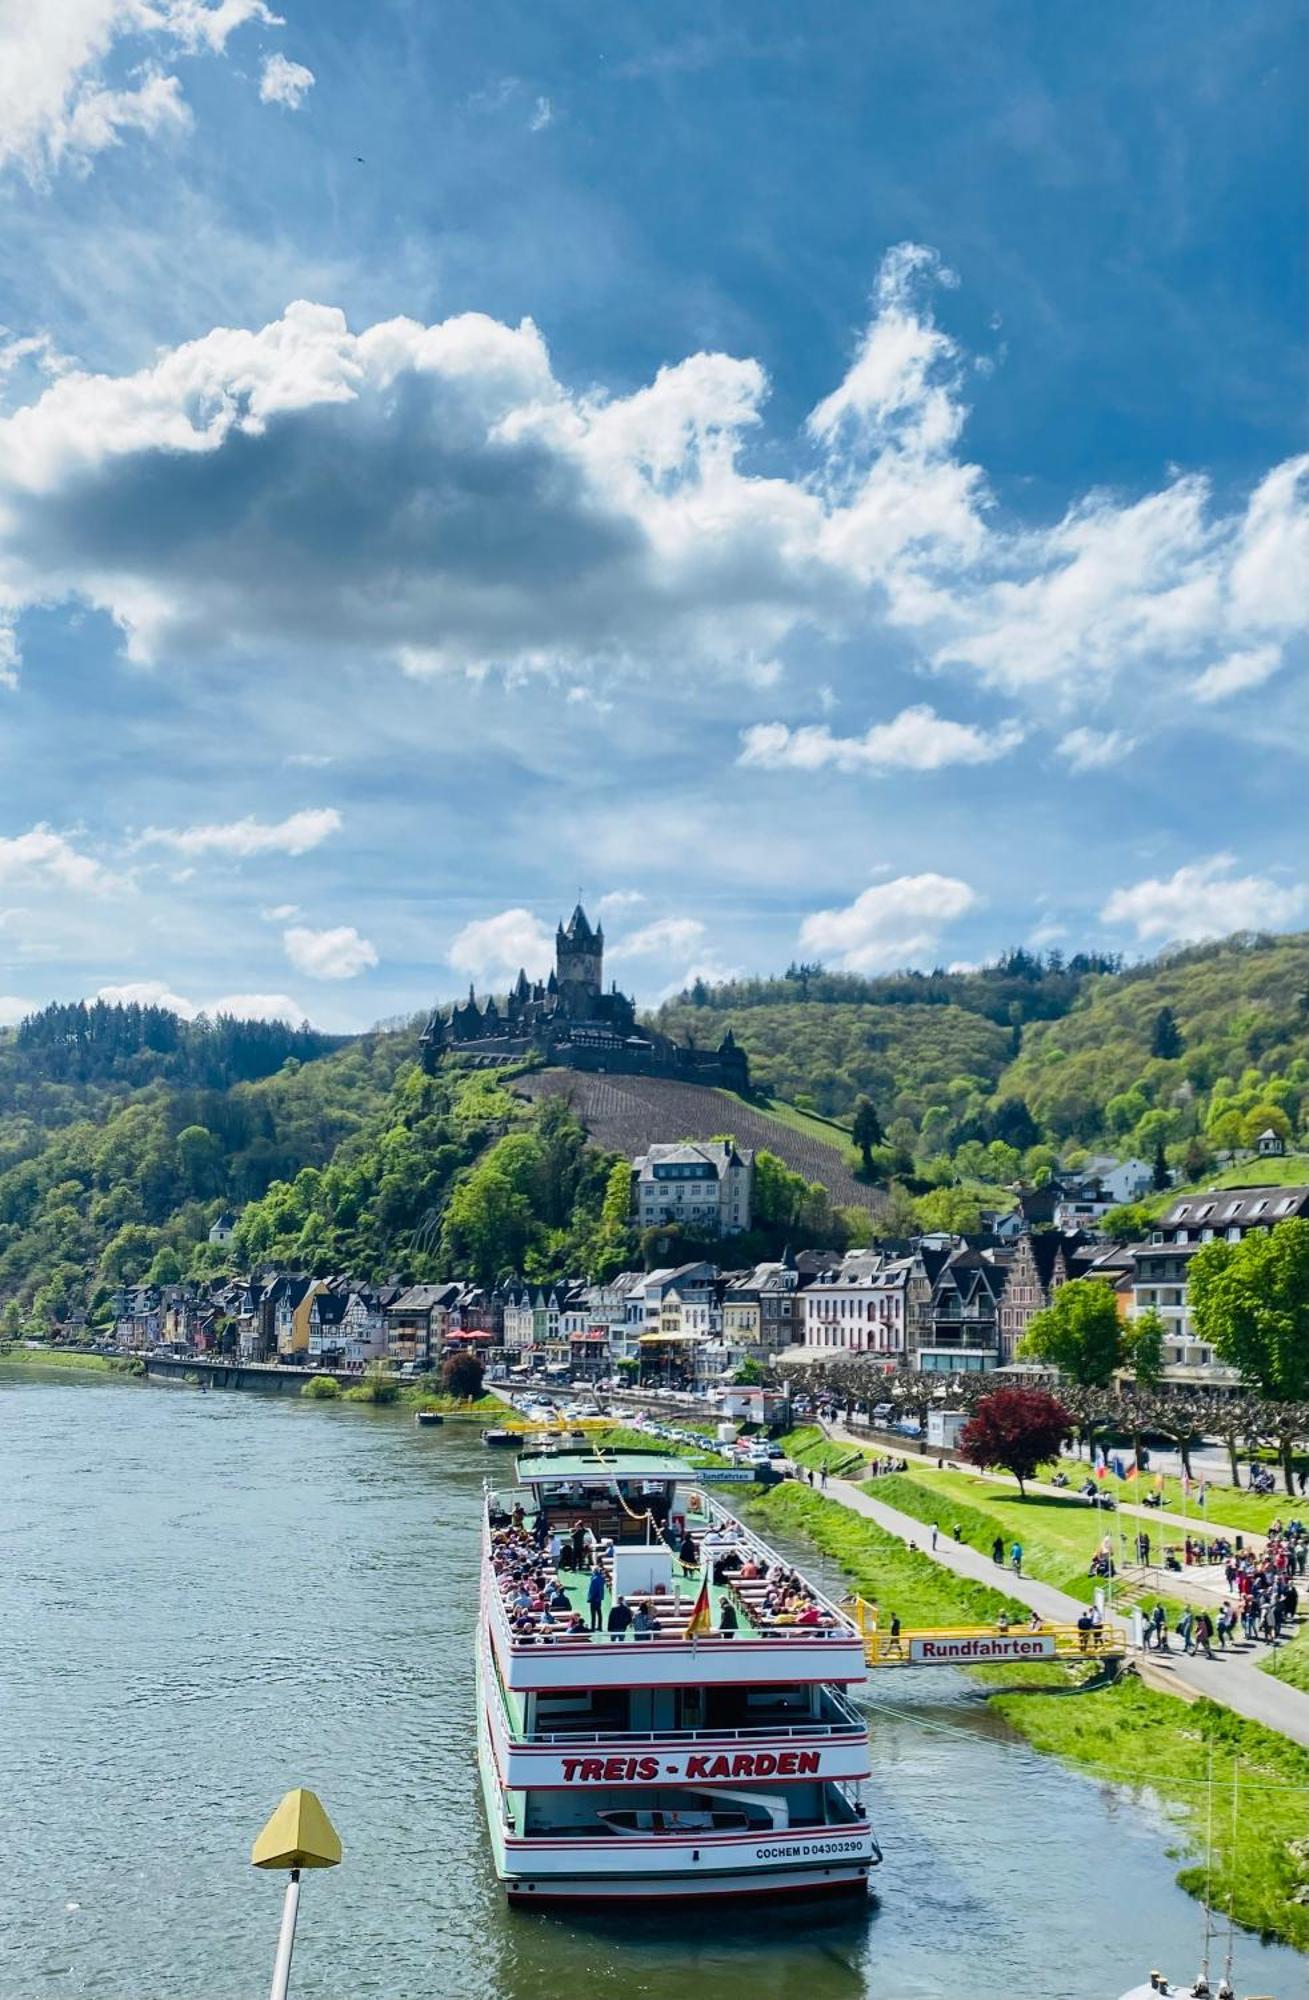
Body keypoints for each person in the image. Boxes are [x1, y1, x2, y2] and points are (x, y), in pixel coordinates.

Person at [586, 1562, 606, 1632]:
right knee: (599, 1612)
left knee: (593, 1613)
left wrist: (590, 1598)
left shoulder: (594, 1579)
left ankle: (592, 1627)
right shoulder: (601, 1578)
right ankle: (600, 1627)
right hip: (599, 1599)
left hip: (594, 1598)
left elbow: (592, 1590)